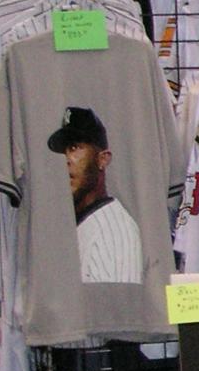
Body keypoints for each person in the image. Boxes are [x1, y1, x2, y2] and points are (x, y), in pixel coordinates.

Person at [47, 107, 143, 284]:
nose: (66, 159)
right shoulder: (79, 224)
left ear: (102, 159)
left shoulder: (114, 233)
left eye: (74, 148)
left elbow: (121, 302)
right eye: (63, 151)